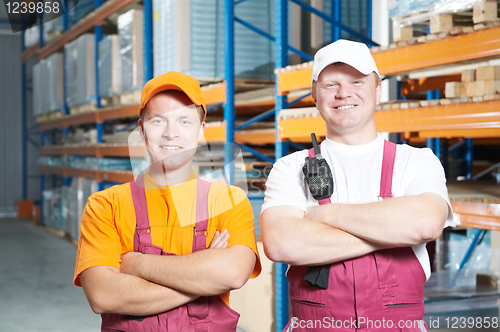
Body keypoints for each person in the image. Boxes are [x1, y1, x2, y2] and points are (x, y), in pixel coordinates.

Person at [261, 39, 452, 332]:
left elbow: (425, 225)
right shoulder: (290, 168)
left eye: (357, 81)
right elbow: (281, 242)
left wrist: (323, 215)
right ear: (314, 94)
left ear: (377, 91)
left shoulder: (417, 161)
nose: (344, 93)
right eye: (330, 85)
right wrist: (393, 232)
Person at [73, 71, 261, 331]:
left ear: (201, 131)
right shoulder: (105, 205)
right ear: (141, 129)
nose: (171, 134)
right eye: (158, 121)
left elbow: (232, 274)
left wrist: (138, 264)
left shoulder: (229, 200)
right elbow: (104, 296)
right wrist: (203, 280)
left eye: (184, 121)